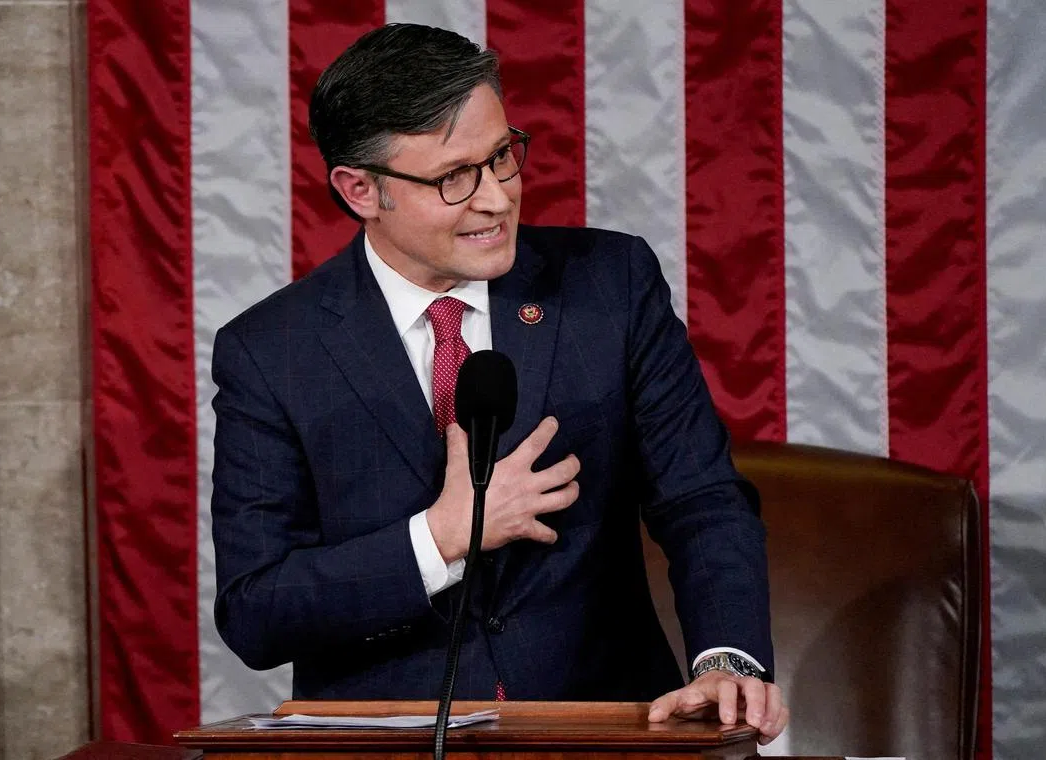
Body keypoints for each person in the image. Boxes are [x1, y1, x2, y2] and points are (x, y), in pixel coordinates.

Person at [210, 22, 787, 744]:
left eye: (501, 158)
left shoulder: (611, 289)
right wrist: (442, 536)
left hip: (602, 733)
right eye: (454, 177)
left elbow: (702, 499)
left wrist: (728, 658)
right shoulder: (271, 352)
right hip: (391, 744)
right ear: (361, 190)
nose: (495, 199)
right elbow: (256, 609)